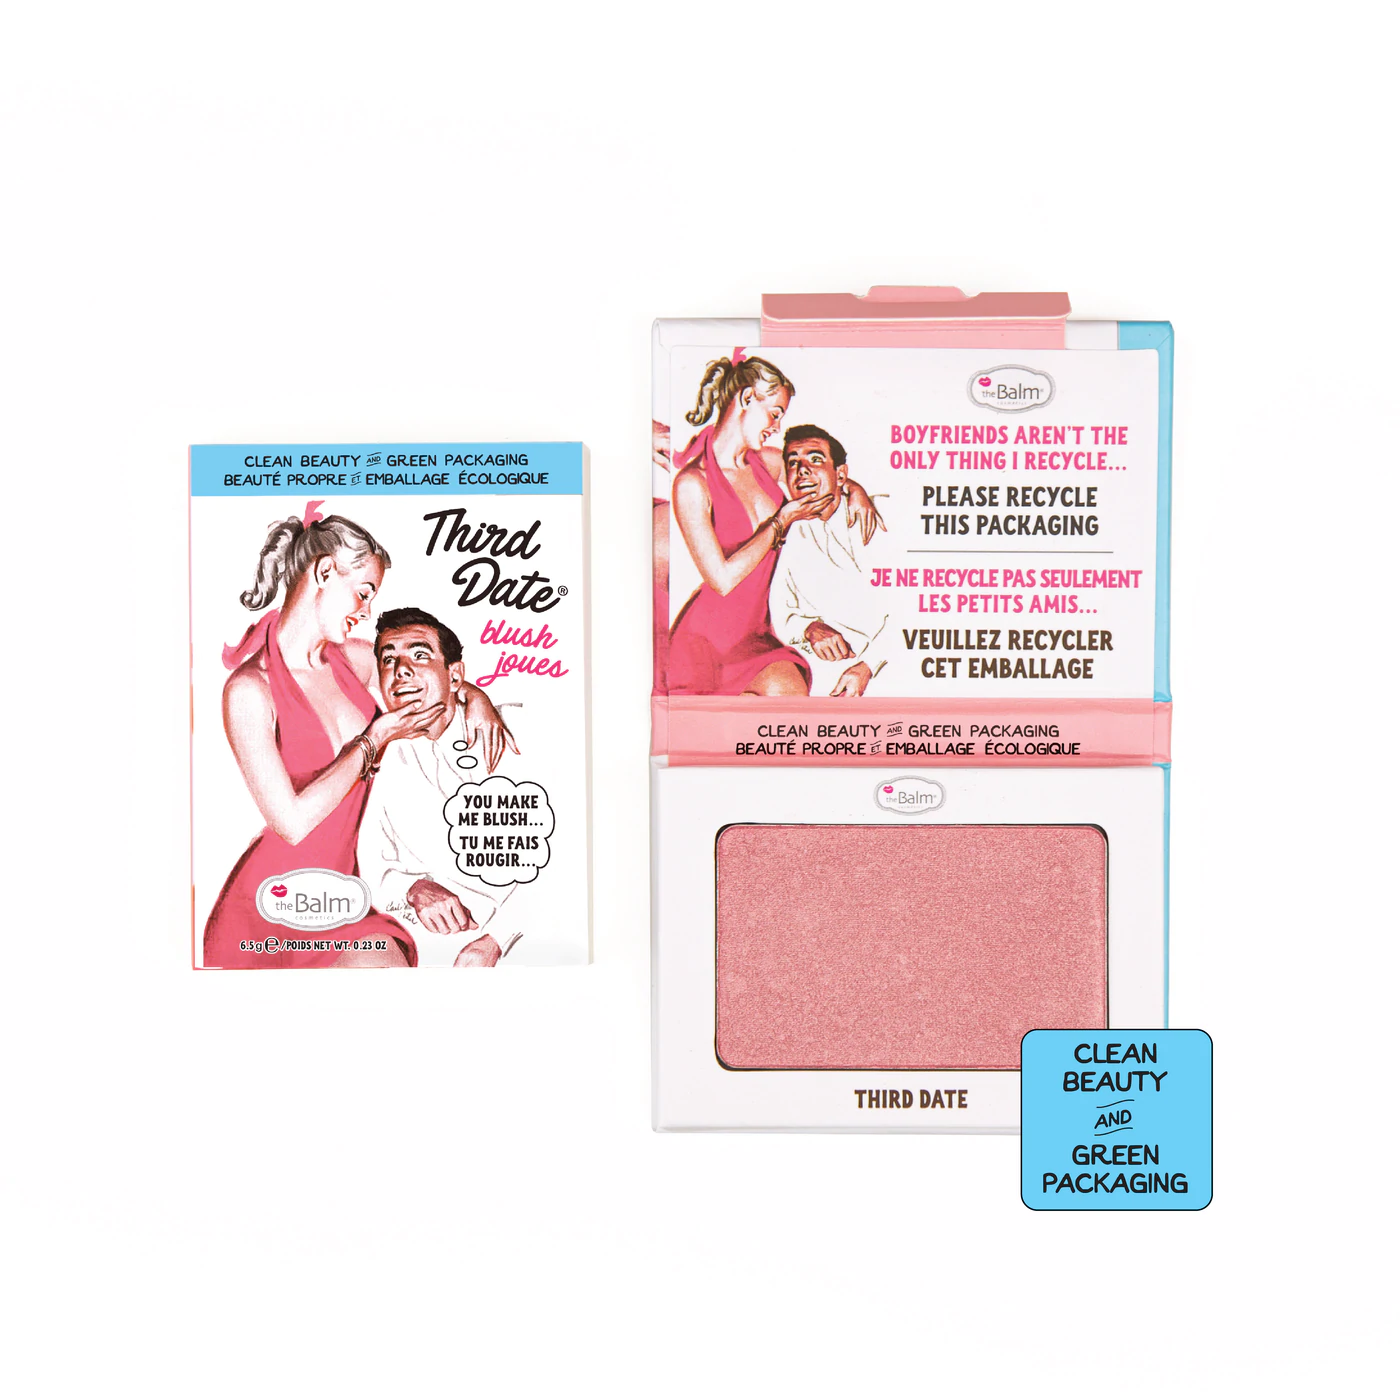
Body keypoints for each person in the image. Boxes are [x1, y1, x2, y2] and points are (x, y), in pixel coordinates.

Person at [203, 502, 513, 970]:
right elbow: (292, 823)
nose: (367, 612)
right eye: (363, 594)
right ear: (325, 572)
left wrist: (477, 698)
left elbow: (428, 678)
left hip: (345, 896)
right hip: (272, 905)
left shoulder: (354, 659)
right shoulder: (249, 690)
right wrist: (374, 738)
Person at [666, 353, 884, 695]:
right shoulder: (693, 484)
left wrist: (855, 490)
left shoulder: (767, 462)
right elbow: (722, 580)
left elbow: (822, 478)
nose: (777, 428)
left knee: (788, 703)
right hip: (708, 642)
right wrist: (781, 521)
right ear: (747, 399)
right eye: (775, 413)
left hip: (759, 634)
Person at [357, 608, 523, 968]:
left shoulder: (515, 729)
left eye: (420, 655)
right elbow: (373, 864)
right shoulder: (390, 754)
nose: (401, 670)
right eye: (388, 659)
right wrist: (413, 888)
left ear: (456, 675)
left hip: (521, 945)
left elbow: (574, 857)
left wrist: (497, 940)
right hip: (424, 947)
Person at [769, 426, 889, 697]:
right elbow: (781, 611)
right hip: (826, 672)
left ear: (841, 475)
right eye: (793, 463)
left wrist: (868, 666)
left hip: (889, 666)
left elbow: (917, 610)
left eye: (815, 459)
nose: (802, 470)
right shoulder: (793, 529)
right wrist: (809, 628)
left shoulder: (880, 514)